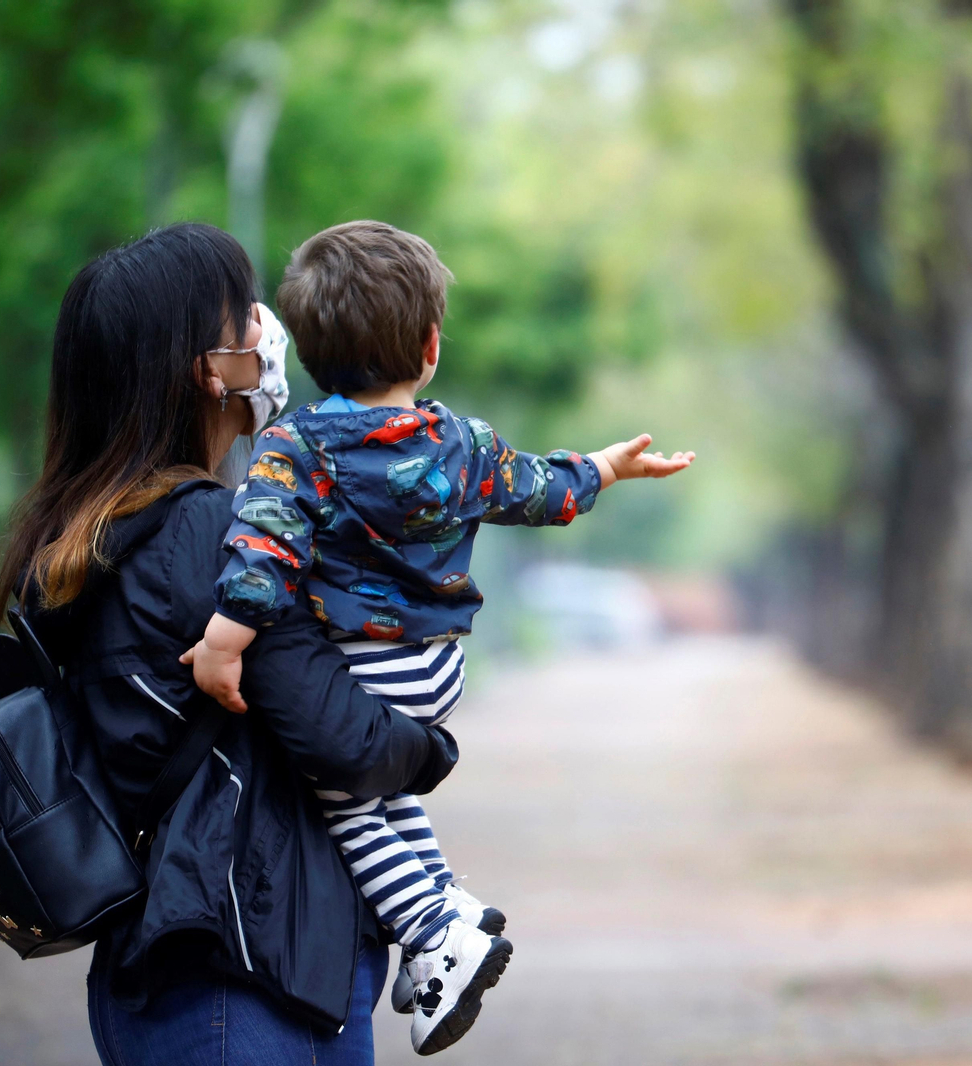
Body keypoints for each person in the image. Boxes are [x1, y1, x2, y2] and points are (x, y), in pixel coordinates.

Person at [181, 220, 696, 1055]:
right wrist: (605, 466)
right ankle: (450, 902)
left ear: (305, 350)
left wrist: (222, 642)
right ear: (429, 346)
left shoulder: (296, 446)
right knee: (385, 796)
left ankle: (428, 931)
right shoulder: (462, 442)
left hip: (363, 669)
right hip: (439, 670)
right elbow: (539, 490)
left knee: (339, 797)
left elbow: (262, 551)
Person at [0, 222, 458, 1066]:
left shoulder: (85, 540)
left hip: (198, 961)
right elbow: (344, 738)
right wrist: (431, 744)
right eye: (244, 315)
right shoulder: (216, 538)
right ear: (210, 371)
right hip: (242, 968)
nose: (265, 331)